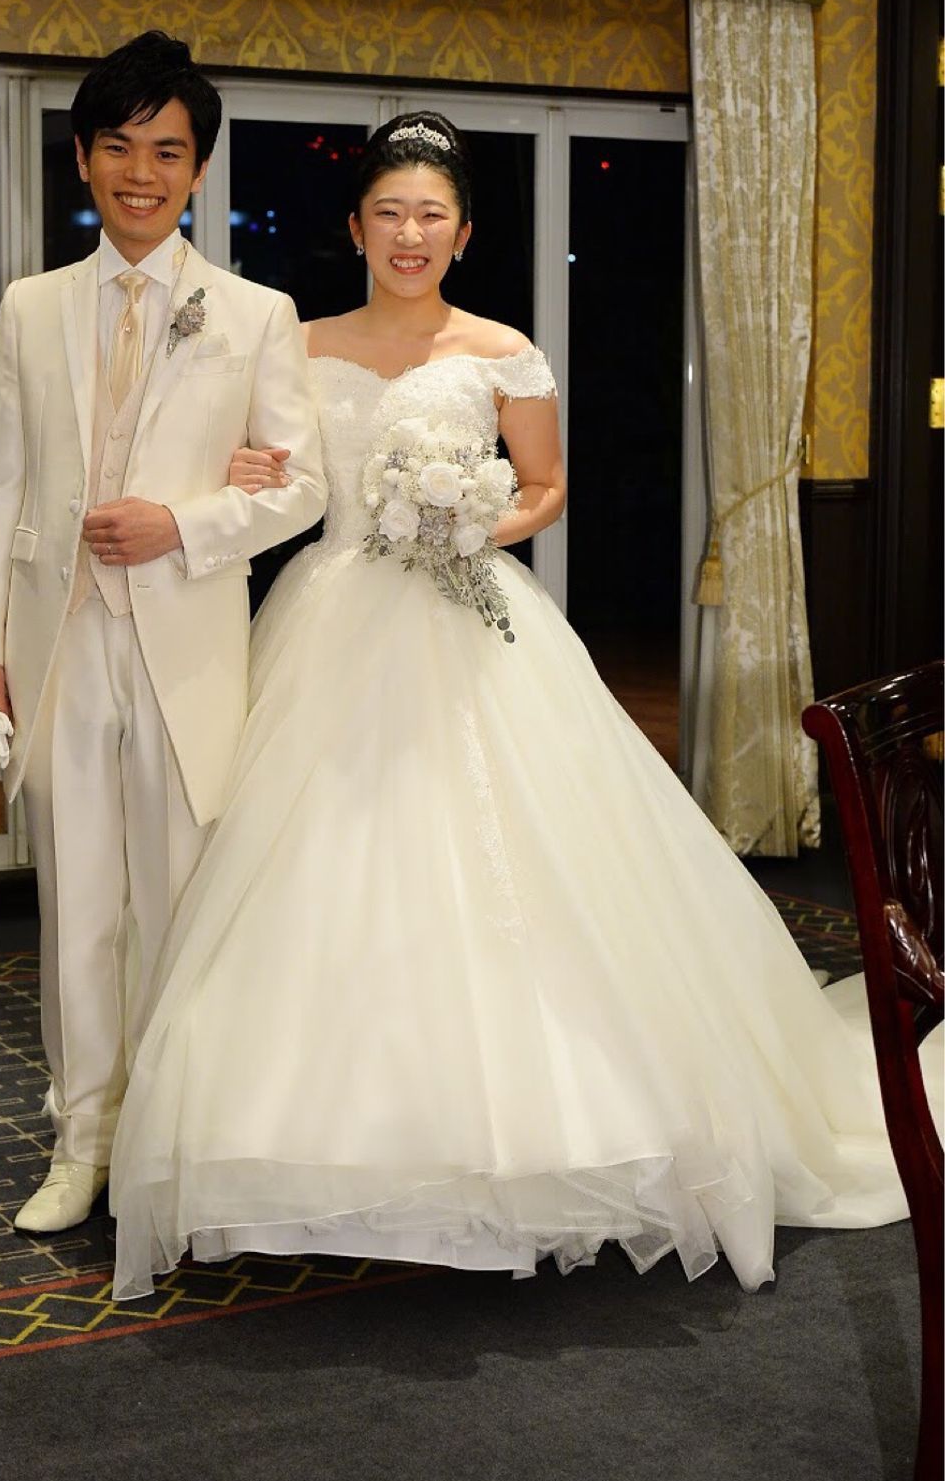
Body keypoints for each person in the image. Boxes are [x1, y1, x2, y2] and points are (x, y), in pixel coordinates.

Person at [107, 111, 938, 1301]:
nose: (407, 234)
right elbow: (278, 471)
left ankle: (552, 1133)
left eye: (429, 216)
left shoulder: (501, 349)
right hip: (333, 612)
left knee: (525, 853)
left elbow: (543, 486)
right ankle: (308, 1136)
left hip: (472, 613)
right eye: (387, 213)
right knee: (312, 856)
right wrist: (250, 473)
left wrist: (468, 524)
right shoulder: (294, 340)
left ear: (461, 234)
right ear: (353, 227)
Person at [0, 32, 326, 1234]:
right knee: (77, 907)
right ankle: (84, 1141)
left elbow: (302, 486)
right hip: (59, 646)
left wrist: (183, 521)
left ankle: (175, 1136)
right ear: (81, 158)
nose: (141, 172)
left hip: (187, 649)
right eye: (118, 146)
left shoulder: (255, 313)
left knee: (177, 902)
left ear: (198, 169)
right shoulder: (31, 308)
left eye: (166, 151)